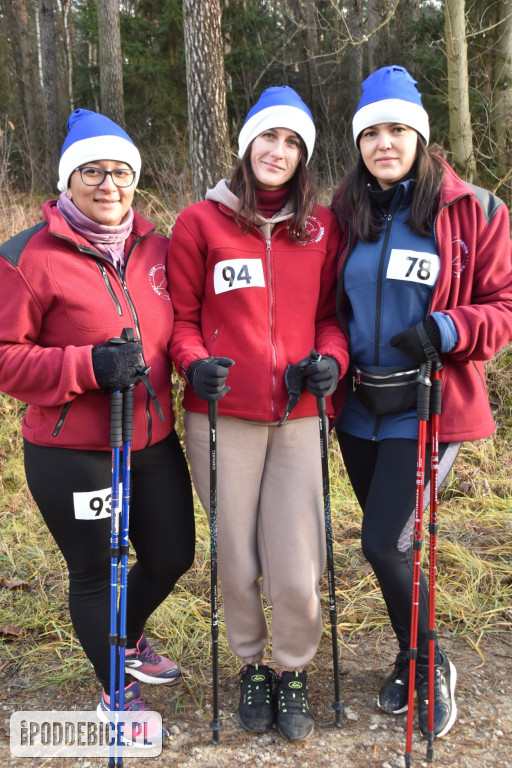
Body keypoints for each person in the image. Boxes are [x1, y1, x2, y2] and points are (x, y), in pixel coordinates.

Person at [0, 109, 195, 740]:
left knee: (172, 555)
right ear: (68, 180)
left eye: (121, 172)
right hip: (73, 450)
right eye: (91, 171)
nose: (108, 184)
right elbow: (5, 356)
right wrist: (86, 364)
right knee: (95, 571)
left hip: (151, 439)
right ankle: (117, 692)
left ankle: (125, 637)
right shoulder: (27, 255)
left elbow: (186, 328)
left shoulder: (159, 249)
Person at [330, 65, 512, 740]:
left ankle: (432, 665)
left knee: (384, 542)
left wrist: (447, 328)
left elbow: (503, 307)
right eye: (371, 132)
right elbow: (330, 308)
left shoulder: (475, 210)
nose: (384, 142)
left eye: (397, 129)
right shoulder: (342, 213)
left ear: (421, 136)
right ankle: (410, 657)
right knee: (389, 550)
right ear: (358, 143)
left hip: (429, 409)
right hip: (358, 410)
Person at [167, 86, 349, 742]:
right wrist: (193, 364)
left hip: (300, 414)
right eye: (269, 137)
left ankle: (293, 667)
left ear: (304, 157)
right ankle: (251, 666)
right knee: (236, 558)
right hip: (222, 417)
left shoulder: (323, 227)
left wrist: (331, 362)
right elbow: (183, 321)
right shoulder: (199, 224)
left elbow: (331, 320)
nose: (279, 151)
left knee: (299, 566)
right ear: (247, 145)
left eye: (294, 142)